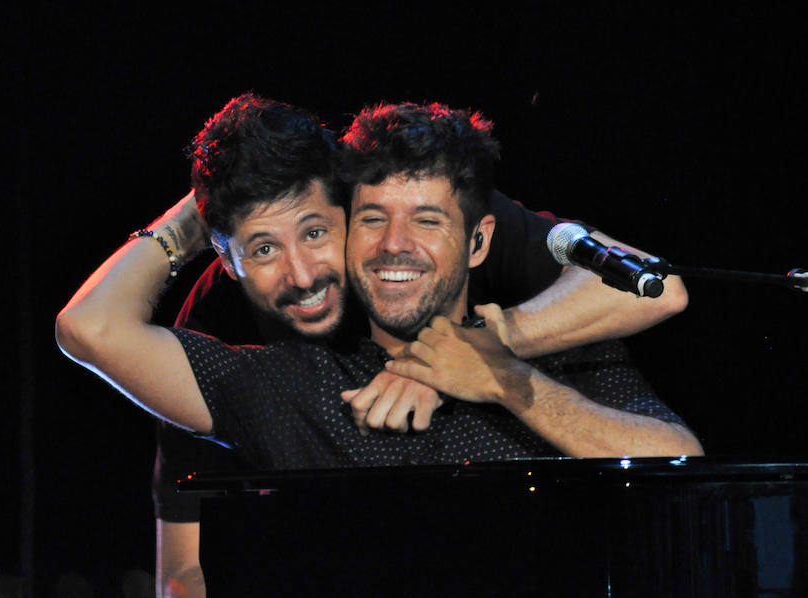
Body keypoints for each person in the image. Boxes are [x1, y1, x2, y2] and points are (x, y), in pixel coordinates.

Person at [56, 97, 702, 595]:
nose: (396, 243)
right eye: (372, 219)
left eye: (426, 221)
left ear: (478, 241)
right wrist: (212, 201)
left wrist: (494, 366)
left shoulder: (564, 350)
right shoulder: (288, 385)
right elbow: (92, 328)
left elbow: (683, 470)